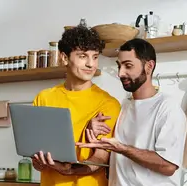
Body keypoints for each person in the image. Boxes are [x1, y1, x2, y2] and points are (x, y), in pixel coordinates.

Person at [77, 38, 187, 186]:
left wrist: (123, 149)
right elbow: (112, 158)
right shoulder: (123, 106)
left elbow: (168, 166)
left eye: (128, 66)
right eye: (119, 66)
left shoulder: (167, 108)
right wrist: (95, 133)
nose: (120, 73)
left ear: (149, 66)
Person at [31, 25, 121, 186]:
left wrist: (69, 170)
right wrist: (39, 162)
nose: (91, 64)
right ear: (64, 58)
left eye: (95, 57)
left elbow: (100, 158)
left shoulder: (108, 103)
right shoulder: (43, 98)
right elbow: (37, 155)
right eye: (83, 56)